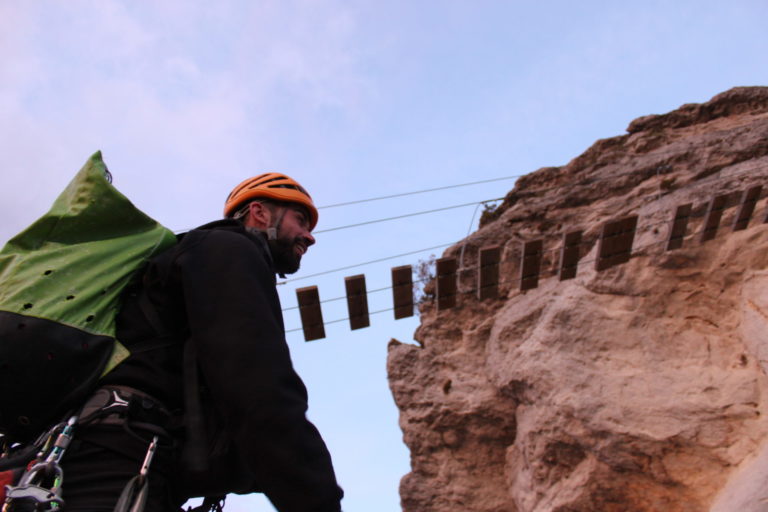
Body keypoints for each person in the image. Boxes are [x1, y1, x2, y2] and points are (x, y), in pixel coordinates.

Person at [58, 173, 343, 512]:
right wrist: (317, 500)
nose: (310, 237)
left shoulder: (201, 256)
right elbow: (257, 386)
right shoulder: (229, 250)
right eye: (300, 220)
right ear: (260, 213)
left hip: (118, 454)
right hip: (118, 461)